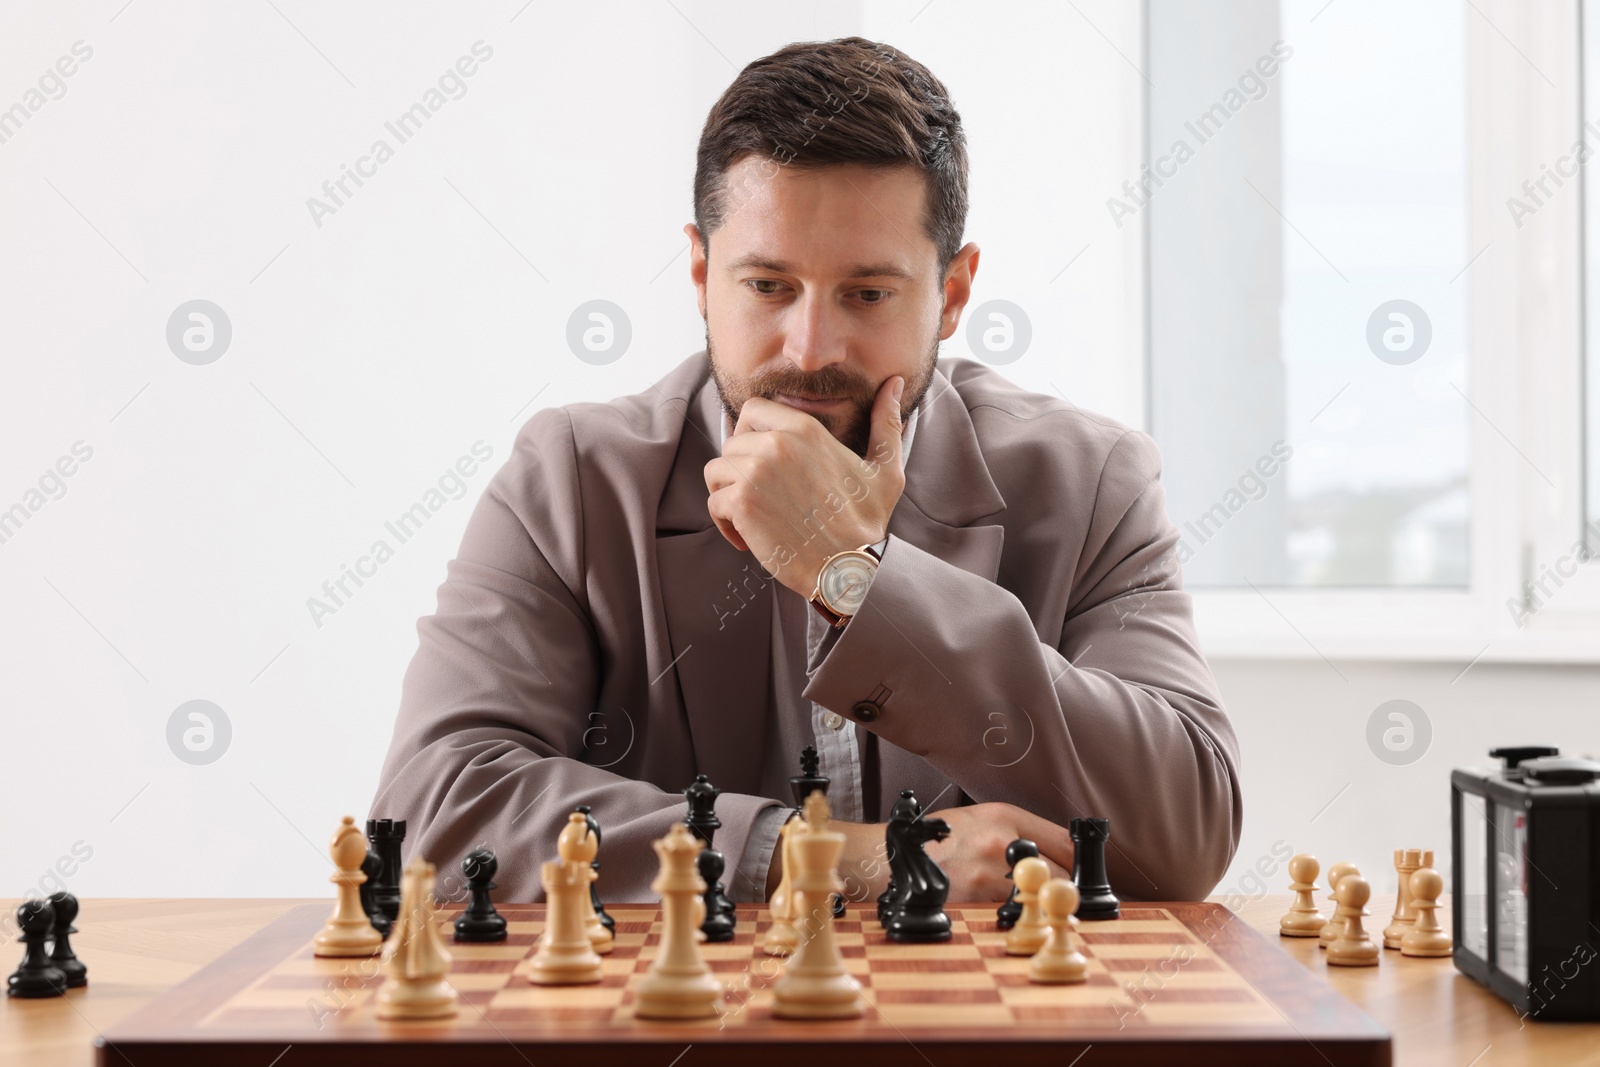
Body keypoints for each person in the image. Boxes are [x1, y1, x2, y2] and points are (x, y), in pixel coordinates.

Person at [372, 36, 1241, 906]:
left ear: (955, 292)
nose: (811, 349)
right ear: (703, 273)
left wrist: (857, 579)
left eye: (867, 293)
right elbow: (428, 818)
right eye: (768, 286)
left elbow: (1185, 835)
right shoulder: (569, 478)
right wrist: (831, 861)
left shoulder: (1092, 483)